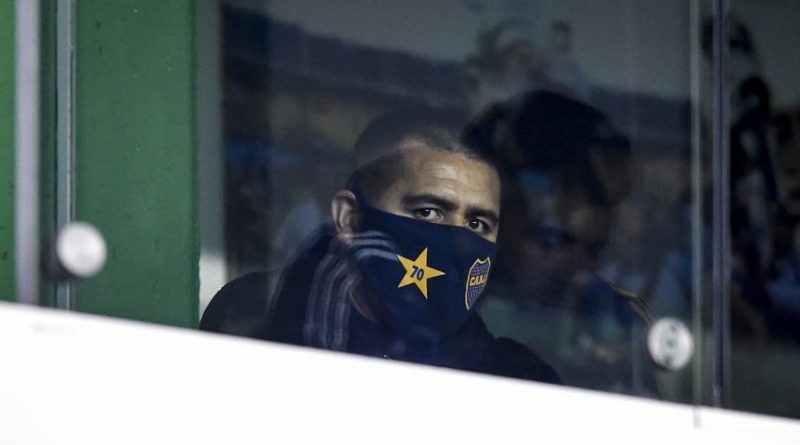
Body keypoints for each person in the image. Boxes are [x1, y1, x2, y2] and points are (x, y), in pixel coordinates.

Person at [201, 109, 560, 384]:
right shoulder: (256, 319)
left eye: (477, 224)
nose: (457, 241)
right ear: (350, 219)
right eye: (428, 212)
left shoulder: (517, 380)